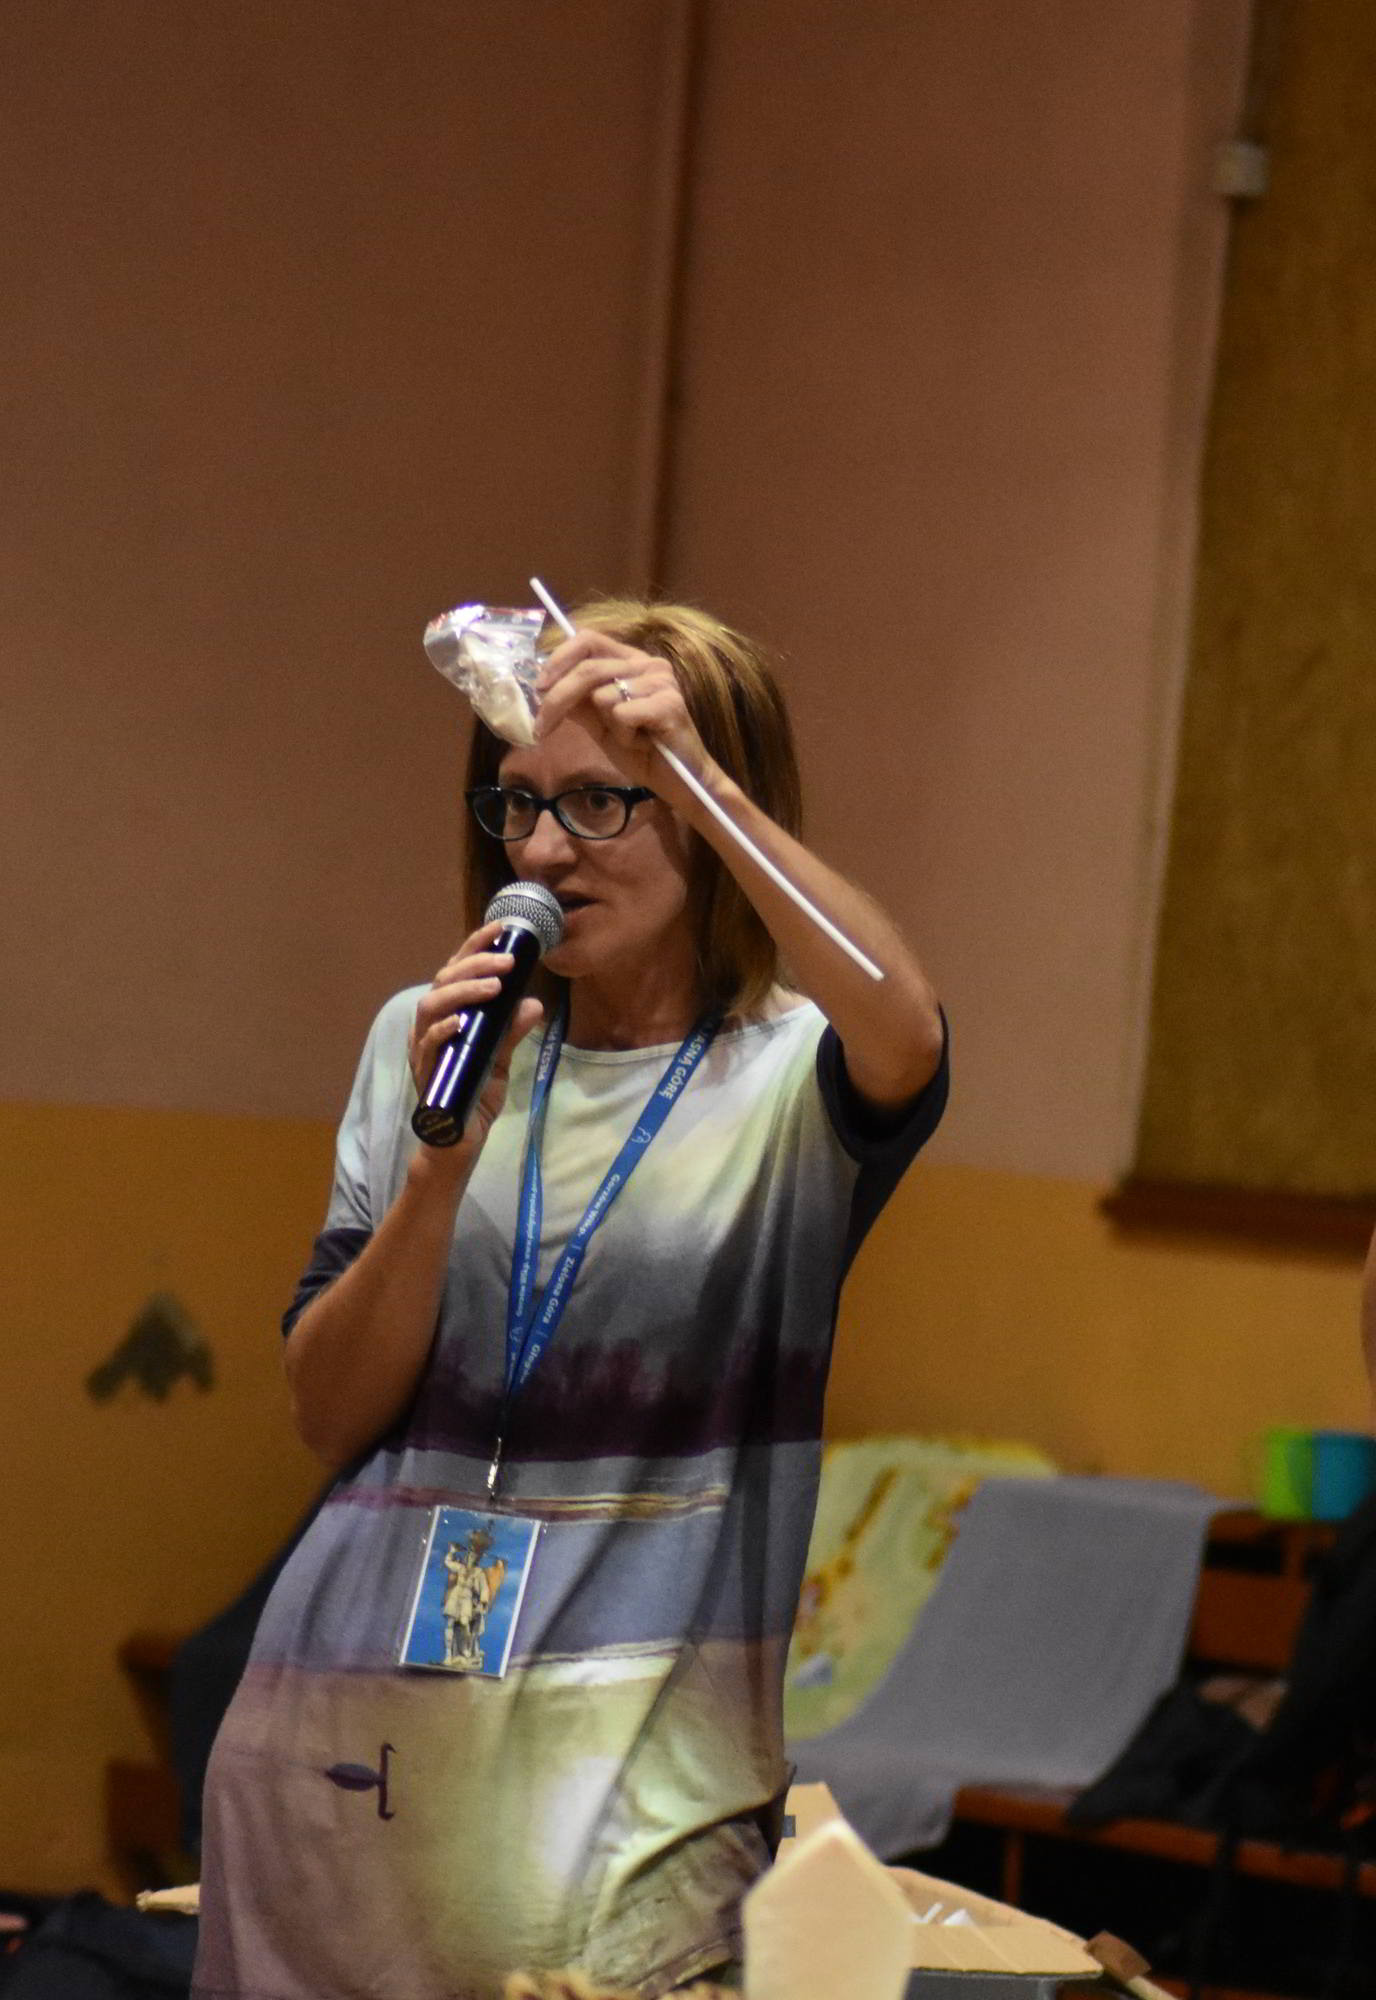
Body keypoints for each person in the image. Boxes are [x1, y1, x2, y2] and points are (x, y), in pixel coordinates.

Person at [196, 602, 948, 1998]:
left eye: (604, 801)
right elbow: (327, 1411)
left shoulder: (791, 1072)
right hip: (343, 1763)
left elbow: (907, 1024)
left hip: (636, 1803)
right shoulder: (433, 1034)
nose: (542, 851)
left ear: (706, 814)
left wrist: (701, 775)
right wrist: (440, 1168)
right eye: (520, 804)